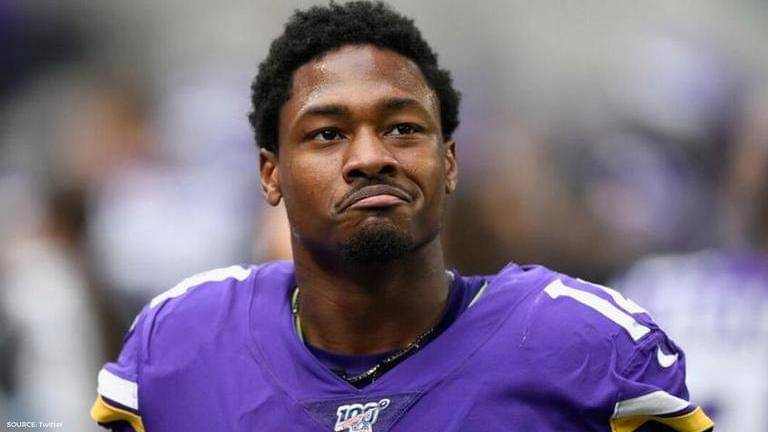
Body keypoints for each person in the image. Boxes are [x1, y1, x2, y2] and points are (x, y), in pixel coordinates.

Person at [91, 2, 714, 431]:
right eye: (328, 133)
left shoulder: (583, 347)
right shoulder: (181, 344)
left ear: (449, 162)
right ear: (270, 174)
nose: (370, 158)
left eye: (403, 128)